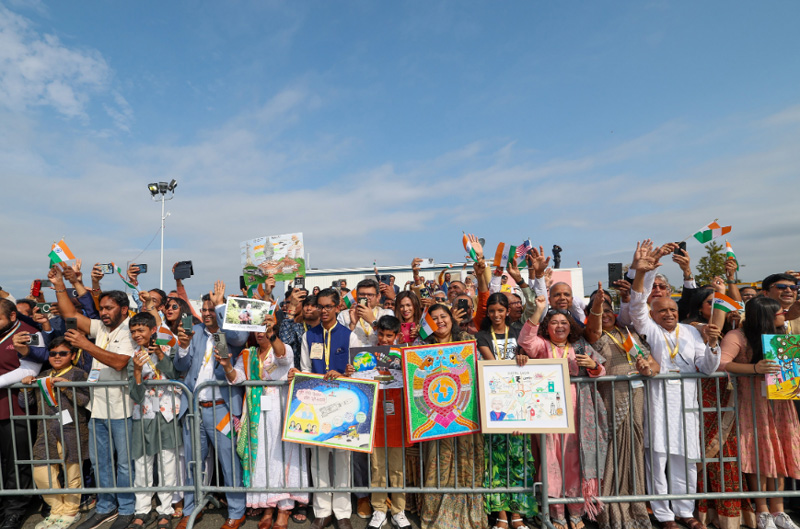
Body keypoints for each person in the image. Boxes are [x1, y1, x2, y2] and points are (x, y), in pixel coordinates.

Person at [627, 240, 721, 529]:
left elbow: (707, 367)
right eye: (662, 311)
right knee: (658, 459)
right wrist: (642, 273)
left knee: (686, 458)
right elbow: (637, 306)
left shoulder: (691, 333)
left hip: (686, 404)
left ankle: (685, 511)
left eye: (673, 310)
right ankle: (664, 514)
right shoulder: (651, 330)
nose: (668, 314)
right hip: (658, 402)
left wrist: (712, 344)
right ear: (653, 315)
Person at [50, 265, 139, 529]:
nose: (104, 312)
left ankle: (126, 508)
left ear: (124, 309)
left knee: (124, 464)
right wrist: (59, 285)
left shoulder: (131, 330)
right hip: (98, 408)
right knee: (101, 463)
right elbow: (70, 314)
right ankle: (105, 506)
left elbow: (120, 362)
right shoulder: (101, 327)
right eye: (102, 308)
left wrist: (86, 345)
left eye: (109, 308)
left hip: (123, 409)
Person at [518, 299, 607, 529]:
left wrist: (593, 365)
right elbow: (525, 340)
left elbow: (601, 370)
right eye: (554, 322)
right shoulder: (542, 346)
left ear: (570, 326)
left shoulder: (580, 346)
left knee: (574, 459)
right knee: (551, 460)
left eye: (564, 322)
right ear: (546, 327)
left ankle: (576, 513)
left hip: (577, 410)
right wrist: (538, 310)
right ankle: (556, 513)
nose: (559, 326)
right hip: (547, 411)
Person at [719, 296, 800, 529]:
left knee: (781, 452)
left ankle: (779, 511)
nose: (783, 315)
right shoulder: (737, 336)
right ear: (765, 316)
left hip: (781, 401)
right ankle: (762, 511)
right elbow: (721, 363)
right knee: (758, 453)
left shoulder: (782, 335)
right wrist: (754, 368)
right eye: (779, 312)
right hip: (752, 403)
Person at [173, 281, 249, 529]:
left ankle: (236, 512)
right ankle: (190, 509)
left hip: (221, 408)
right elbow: (181, 366)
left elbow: (237, 338)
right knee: (193, 463)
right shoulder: (194, 332)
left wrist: (220, 306)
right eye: (204, 310)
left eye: (210, 310)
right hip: (194, 408)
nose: (206, 313)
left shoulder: (228, 333)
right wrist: (183, 347)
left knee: (229, 462)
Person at [220, 316, 308, 529]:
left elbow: (284, 358)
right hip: (257, 414)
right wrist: (226, 365)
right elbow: (237, 378)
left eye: (264, 329)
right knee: (262, 458)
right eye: (257, 329)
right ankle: (268, 507)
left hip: (280, 411)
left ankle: (284, 509)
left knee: (282, 457)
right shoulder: (248, 354)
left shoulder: (282, 347)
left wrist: (272, 335)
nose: (260, 333)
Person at [584, 283, 659, 529]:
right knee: (612, 449)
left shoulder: (629, 333)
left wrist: (648, 369)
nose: (605, 314)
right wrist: (597, 305)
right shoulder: (594, 336)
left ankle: (634, 507)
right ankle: (610, 511)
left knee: (634, 448)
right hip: (610, 399)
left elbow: (653, 363)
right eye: (599, 311)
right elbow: (594, 327)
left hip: (635, 397)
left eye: (608, 310)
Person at [414, 302, 486, 529]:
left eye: (443, 316)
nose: (440, 321)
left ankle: (469, 514)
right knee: (437, 461)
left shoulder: (466, 341)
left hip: (466, 413)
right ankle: (436, 515)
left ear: (451, 318)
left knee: (467, 461)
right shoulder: (421, 348)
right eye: (434, 318)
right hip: (436, 418)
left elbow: (478, 369)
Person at [292, 288, 359, 529]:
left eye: (328, 306)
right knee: (318, 460)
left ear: (338, 307)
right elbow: (305, 369)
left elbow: (357, 370)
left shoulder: (350, 336)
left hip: (343, 404)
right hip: (317, 406)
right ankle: (322, 511)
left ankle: (342, 512)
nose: (323, 311)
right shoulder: (308, 336)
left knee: (342, 459)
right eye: (320, 306)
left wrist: (345, 374)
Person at [476, 293, 537, 529]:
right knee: (496, 460)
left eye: (500, 310)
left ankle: (517, 514)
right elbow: (493, 365)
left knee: (519, 458)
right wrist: (518, 359)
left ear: (507, 311)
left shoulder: (519, 332)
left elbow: (528, 354)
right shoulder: (482, 336)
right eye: (492, 311)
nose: (496, 315)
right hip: (496, 404)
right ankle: (501, 514)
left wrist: (524, 356)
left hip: (520, 401)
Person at [336, 278, 392, 518]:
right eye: (362, 295)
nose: (366, 299)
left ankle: (383, 492)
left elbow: (391, 342)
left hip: (385, 385)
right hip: (357, 386)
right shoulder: (343, 316)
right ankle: (361, 495)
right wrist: (352, 323)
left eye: (370, 295)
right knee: (358, 442)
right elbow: (340, 346)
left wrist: (371, 321)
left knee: (383, 443)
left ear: (378, 297)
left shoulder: (387, 314)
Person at [128, 312, 182, 529]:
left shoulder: (169, 349)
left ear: (153, 330)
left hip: (167, 412)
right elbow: (136, 394)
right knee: (142, 463)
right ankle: (141, 509)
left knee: (167, 463)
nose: (136, 335)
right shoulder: (134, 357)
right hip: (144, 414)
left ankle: (165, 509)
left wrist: (159, 353)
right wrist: (137, 371)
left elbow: (174, 374)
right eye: (133, 331)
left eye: (141, 330)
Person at [365, 316, 411, 529]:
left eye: (389, 336)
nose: (384, 339)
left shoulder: (405, 354)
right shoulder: (365, 356)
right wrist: (351, 372)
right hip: (375, 415)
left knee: (397, 467)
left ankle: (399, 511)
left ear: (397, 336)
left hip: (398, 416)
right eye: (381, 334)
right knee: (377, 466)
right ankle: (379, 509)